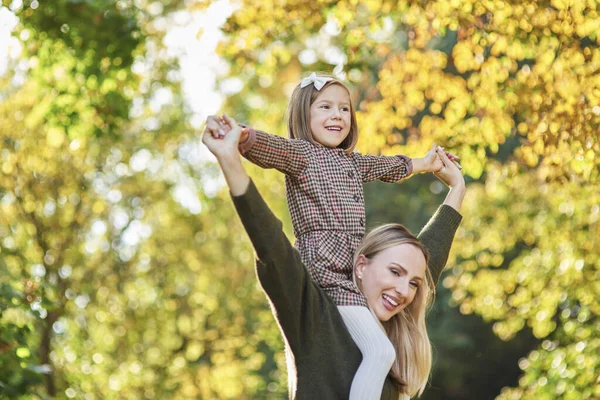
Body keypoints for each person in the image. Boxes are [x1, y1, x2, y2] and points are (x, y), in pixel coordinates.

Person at [208, 72, 460, 399]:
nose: (337, 116)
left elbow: (387, 168)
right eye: (325, 107)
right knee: (381, 353)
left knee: (381, 351)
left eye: (344, 109)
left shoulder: (351, 164)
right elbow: (271, 149)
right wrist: (239, 137)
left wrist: (430, 167)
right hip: (325, 267)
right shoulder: (301, 154)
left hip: (348, 266)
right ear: (303, 115)